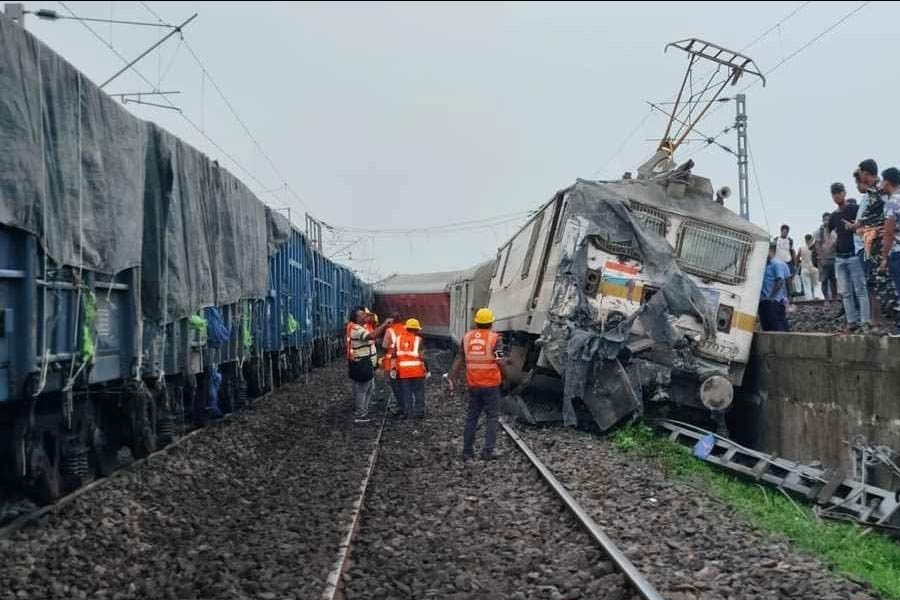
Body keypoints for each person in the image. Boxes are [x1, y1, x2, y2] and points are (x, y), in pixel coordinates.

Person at [449, 307, 505, 461]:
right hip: (491, 384)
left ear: (476, 323)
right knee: (492, 417)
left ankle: (467, 452)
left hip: (473, 384)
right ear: (491, 323)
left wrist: (451, 377)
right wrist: (505, 376)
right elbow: (499, 361)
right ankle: (488, 452)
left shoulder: (467, 338)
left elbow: (459, 358)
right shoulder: (495, 339)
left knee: (472, 418)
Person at [828, 182, 872, 332]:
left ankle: (865, 321)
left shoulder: (854, 209)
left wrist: (854, 228)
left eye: (839, 192)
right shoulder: (833, 216)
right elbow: (829, 234)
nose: (837, 195)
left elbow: (864, 225)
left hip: (854, 255)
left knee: (860, 289)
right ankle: (852, 321)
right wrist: (830, 243)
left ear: (844, 192)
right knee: (845, 292)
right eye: (834, 193)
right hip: (840, 258)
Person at [848, 160, 886, 326]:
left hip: (874, 245)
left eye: (861, 174)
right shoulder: (870, 195)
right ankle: (876, 321)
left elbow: (873, 220)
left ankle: (879, 322)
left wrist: (858, 226)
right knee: (873, 283)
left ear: (866, 173)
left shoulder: (877, 192)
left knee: (876, 284)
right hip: (868, 245)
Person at [347, 307, 393, 423]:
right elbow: (371, 336)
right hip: (362, 363)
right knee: (363, 388)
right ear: (357, 318)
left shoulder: (360, 327)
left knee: (369, 387)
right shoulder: (356, 329)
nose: (365, 316)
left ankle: (363, 410)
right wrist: (384, 325)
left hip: (365, 362)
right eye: (362, 314)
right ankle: (360, 414)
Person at [393, 318, 428, 418]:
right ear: (416, 330)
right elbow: (422, 356)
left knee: (406, 392)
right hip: (417, 371)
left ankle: (407, 412)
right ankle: (419, 412)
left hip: (403, 372)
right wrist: (426, 368)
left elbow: (395, 354)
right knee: (418, 392)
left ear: (407, 328)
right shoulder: (418, 340)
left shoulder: (398, 339)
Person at [879, 167, 900, 311]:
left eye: (882, 180)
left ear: (887, 182)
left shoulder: (892, 203)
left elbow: (888, 233)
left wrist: (884, 258)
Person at [758, 243, 791, 331]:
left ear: (771, 250)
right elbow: (788, 280)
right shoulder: (770, 264)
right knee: (771, 326)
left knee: (774, 327)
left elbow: (780, 280)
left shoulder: (776, 264)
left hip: (772, 302)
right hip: (768, 301)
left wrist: (771, 297)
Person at [381, 312, 408, 416]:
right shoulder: (407, 328)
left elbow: (384, 347)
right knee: (405, 384)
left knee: (396, 385)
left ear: (391, 320)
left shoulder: (390, 330)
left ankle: (402, 406)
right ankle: (408, 405)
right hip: (406, 361)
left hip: (394, 364)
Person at [815, 210, 838, 304]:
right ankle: (826, 300)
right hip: (823, 259)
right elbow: (817, 245)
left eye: (828, 219)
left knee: (833, 280)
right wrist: (821, 257)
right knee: (824, 280)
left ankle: (835, 299)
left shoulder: (835, 230)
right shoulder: (819, 231)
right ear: (822, 220)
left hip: (834, 258)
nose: (827, 221)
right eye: (825, 219)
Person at [774, 224, 797, 294]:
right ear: (781, 231)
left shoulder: (790, 241)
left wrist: (795, 264)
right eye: (784, 231)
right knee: (779, 279)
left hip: (788, 262)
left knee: (789, 280)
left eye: (787, 232)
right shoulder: (776, 240)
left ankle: (790, 296)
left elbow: (793, 252)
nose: (786, 233)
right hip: (778, 263)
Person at [798, 234, 821, 300]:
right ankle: (817, 296)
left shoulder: (801, 248)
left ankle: (809, 299)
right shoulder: (815, 248)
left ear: (805, 240)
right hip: (815, 268)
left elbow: (797, 257)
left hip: (805, 268)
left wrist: (798, 263)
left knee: (807, 285)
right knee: (816, 284)